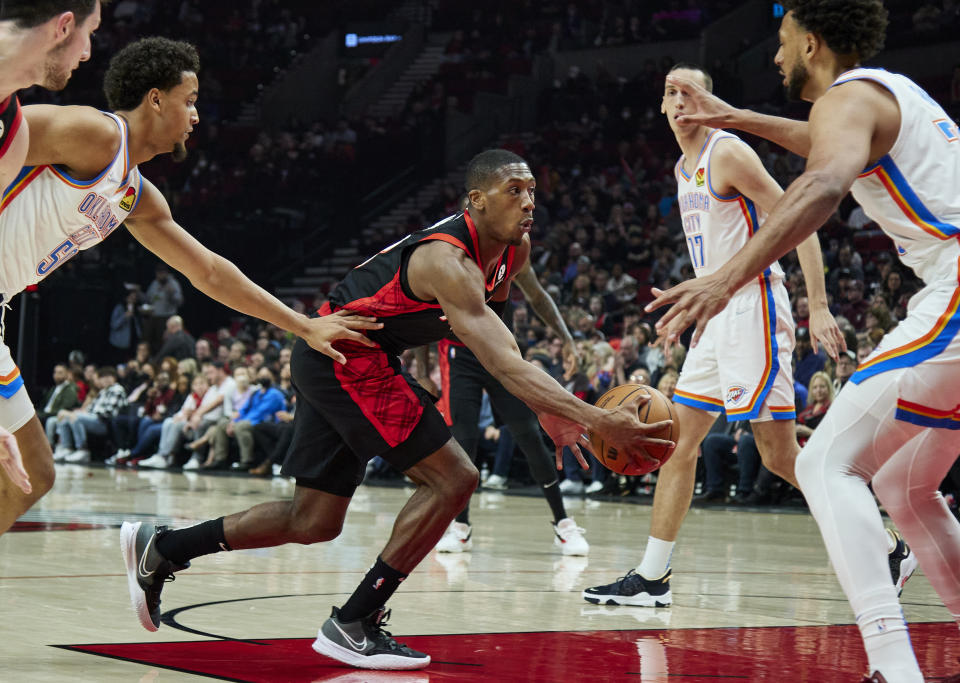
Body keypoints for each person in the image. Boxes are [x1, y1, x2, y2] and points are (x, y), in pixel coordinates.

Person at [121, 149, 674, 671]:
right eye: (514, 191)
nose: (529, 201)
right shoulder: (446, 259)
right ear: (476, 201)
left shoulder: (513, 251)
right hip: (346, 357)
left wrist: (550, 412)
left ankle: (165, 547)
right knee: (455, 478)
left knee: (312, 522)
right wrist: (596, 418)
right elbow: (504, 363)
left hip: (342, 358)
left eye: (532, 191)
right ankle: (356, 620)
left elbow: (500, 348)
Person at [648, 3, 956, 680]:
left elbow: (821, 180)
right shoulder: (880, 95)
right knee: (907, 485)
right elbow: (819, 141)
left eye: (783, 45)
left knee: (822, 465)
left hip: (955, 284)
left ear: (812, 42)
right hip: (947, 286)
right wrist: (730, 115)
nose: (777, 58)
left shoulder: (850, 100)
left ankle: (891, 666)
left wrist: (726, 278)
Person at [0, 37, 380, 535]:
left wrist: (302, 325)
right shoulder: (97, 134)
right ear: (155, 99)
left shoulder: (134, 194)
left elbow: (210, 272)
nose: (197, 115)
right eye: (190, 100)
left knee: (32, 474)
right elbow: (9, 132)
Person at [583, 62, 849, 609]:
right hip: (717, 314)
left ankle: (887, 541)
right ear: (661, 107)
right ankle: (652, 576)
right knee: (676, 443)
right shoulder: (684, 171)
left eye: (689, 92)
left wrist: (817, 305)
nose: (678, 101)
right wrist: (691, 305)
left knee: (776, 453)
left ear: (709, 101)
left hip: (754, 307)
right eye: (669, 93)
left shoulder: (727, 152)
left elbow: (801, 217)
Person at [0, 0, 103, 511]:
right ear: (64, 25)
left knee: (32, 472)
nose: (88, 53)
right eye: (90, 33)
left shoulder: (12, 127)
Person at [418, 258, 589, 558]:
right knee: (463, 441)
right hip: (460, 356)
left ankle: (563, 522)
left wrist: (567, 339)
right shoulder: (446, 252)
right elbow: (424, 309)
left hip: (501, 351)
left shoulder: (511, 247)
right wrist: (422, 370)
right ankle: (461, 527)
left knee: (529, 436)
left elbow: (537, 295)